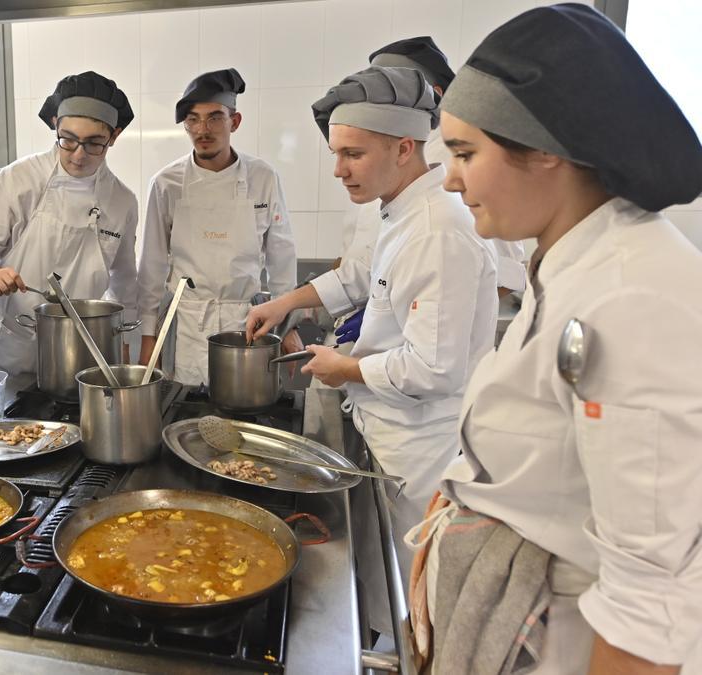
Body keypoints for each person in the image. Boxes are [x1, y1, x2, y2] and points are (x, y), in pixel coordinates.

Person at [407, 5, 702, 673]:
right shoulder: (569, 260)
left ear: (545, 150)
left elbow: (648, 601)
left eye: (464, 153)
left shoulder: (633, 298)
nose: (450, 180)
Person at [244, 65, 497, 635]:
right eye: (337, 153)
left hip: (419, 457)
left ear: (405, 147)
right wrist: (287, 302)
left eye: (352, 155)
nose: (338, 170)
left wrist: (346, 367)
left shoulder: (438, 231)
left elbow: (434, 368)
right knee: (384, 604)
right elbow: (361, 277)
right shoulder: (401, 211)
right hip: (386, 438)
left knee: (411, 614)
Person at [333, 37, 527, 347]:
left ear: (432, 96)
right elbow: (360, 252)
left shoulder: (469, 161)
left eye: (387, 90)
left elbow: (502, 276)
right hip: (363, 348)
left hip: (420, 354)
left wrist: (396, 315)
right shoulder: (375, 159)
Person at [0, 71, 139, 377]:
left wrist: (125, 348)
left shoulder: (122, 200)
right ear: (55, 125)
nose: (79, 155)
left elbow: (124, 282)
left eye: (94, 143)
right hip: (13, 349)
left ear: (114, 136)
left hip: (83, 354)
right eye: (68, 140)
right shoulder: (17, 180)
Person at [136, 68, 297, 386]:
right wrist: (147, 339)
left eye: (214, 118)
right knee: (185, 413)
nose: (202, 129)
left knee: (241, 411)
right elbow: (152, 269)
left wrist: (289, 326)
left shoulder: (262, 177)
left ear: (234, 122)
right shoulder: (166, 184)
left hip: (246, 324)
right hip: (186, 326)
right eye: (193, 119)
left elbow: (282, 258)